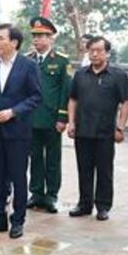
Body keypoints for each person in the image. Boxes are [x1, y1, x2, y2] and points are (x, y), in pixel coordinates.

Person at [0, 24, 42, 239]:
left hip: (17, 131)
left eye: (1, 38)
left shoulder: (28, 66)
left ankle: (18, 220)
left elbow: (36, 96)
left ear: (14, 42)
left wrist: (13, 112)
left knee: (18, 176)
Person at [66, 36, 128, 221]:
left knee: (105, 170)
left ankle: (103, 206)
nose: (94, 54)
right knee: (84, 169)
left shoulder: (118, 75)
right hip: (82, 130)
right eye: (91, 50)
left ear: (107, 53)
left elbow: (126, 102)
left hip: (106, 131)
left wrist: (120, 127)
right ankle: (84, 204)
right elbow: (73, 99)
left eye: (99, 50)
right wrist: (71, 122)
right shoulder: (80, 74)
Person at [26, 17, 71, 214]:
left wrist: (62, 117)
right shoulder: (27, 59)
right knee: (35, 157)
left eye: (41, 36)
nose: (37, 39)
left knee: (53, 158)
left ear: (51, 38)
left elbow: (65, 90)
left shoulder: (61, 61)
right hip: (31, 117)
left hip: (52, 118)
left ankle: (51, 195)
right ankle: (36, 193)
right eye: (35, 36)